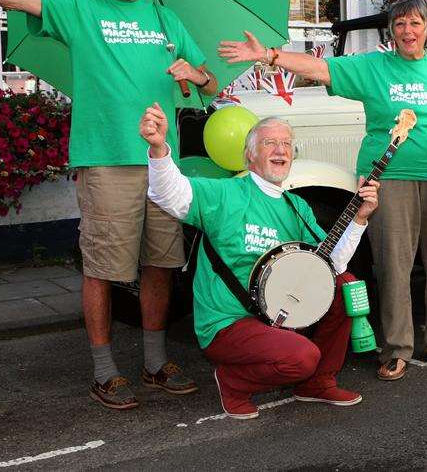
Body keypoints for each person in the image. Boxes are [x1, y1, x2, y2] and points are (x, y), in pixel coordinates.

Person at [0, 0, 218, 409]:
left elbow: (207, 82)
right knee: (103, 269)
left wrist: (197, 73)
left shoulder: (167, 20)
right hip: (106, 160)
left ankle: (154, 362)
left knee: (161, 265)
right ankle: (105, 371)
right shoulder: (81, 9)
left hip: (162, 162)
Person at [219, 0, 427, 380]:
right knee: (393, 265)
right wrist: (269, 55)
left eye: (415, 23)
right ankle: (397, 347)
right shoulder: (374, 67)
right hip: (389, 177)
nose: (407, 31)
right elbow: (321, 68)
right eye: (399, 24)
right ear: (391, 31)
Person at [140, 108, 379, 418]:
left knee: (345, 286)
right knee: (302, 357)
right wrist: (159, 148)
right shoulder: (226, 194)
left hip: (275, 314)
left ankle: (318, 383)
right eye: (269, 142)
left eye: (286, 143)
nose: (280, 149)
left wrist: (359, 219)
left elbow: (330, 264)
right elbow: (168, 192)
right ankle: (233, 382)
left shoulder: (297, 206)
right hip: (227, 324)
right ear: (249, 156)